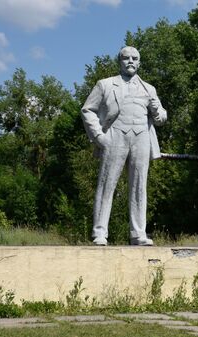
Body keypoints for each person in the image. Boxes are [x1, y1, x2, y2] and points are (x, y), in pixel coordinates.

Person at [81, 46, 167, 246]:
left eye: (134, 58)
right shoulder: (105, 85)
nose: (130, 61)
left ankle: (138, 233)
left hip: (141, 138)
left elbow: (161, 118)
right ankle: (100, 232)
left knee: (139, 186)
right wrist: (99, 137)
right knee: (106, 184)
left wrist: (157, 110)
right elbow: (87, 110)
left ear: (139, 62)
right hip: (115, 136)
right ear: (119, 61)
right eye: (126, 58)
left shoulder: (149, 88)